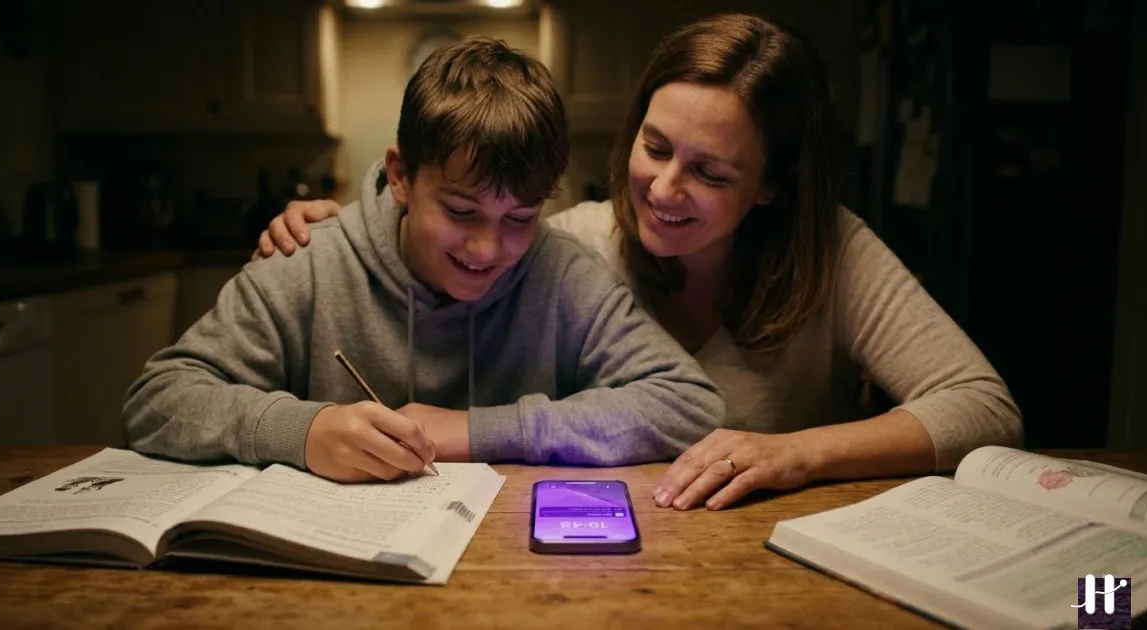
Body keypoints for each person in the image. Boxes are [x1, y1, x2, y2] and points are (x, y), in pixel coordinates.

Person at [254, 13, 1023, 509]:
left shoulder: (835, 252)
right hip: (601, 564)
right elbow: (479, 220)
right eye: (654, 147)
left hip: (777, 564)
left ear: (771, 188)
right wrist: (358, 222)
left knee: (1107, 614)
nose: (663, 188)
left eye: (712, 172)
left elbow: (983, 408)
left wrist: (795, 454)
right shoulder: (574, 244)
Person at [123, 36, 725, 484]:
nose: (489, 250)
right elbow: (157, 401)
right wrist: (302, 432)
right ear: (401, 176)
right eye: (462, 213)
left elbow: (690, 405)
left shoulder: (562, 272)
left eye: (519, 218)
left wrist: (473, 430)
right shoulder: (307, 260)